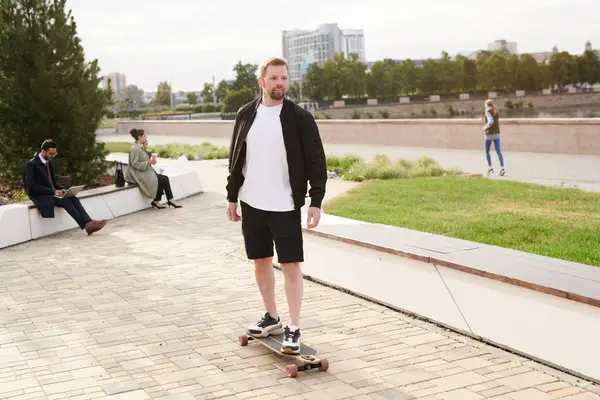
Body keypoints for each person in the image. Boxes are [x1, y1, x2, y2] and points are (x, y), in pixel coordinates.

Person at [225, 57, 327, 354]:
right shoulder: (246, 114)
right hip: (252, 202)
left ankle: (293, 328)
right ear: (262, 81)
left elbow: (316, 160)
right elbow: (236, 158)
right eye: (274, 78)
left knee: (291, 265)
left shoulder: (299, 117)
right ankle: (271, 316)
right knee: (260, 262)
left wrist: (316, 200)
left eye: (284, 78)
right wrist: (232, 196)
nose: (279, 83)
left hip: (284, 204)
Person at [24, 139, 107, 235]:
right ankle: (87, 225)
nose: (53, 156)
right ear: (43, 151)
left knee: (72, 197)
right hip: (40, 195)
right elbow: (31, 186)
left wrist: (62, 189)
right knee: (65, 200)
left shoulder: (48, 162)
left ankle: (88, 222)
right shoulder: (32, 164)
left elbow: (53, 181)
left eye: (54, 154)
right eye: (51, 154)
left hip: (51, 193)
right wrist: (52, 192)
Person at [125, 128, 182, 209]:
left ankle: (158, 201)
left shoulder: (139, 147)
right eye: (144, 136)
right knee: (162, 179)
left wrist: (145, 149)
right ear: (139, 137)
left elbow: (144, 158)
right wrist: (149, 162)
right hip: (137, 174)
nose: (146, 137)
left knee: (161, 178)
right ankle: (169, 200)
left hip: (145, 171)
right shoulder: (135, 148)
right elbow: (135, 164)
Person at [482, 99, 506, 176]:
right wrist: (484, 119)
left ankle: (490, 168)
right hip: (497, 134)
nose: (484, 105)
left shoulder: (487, 111)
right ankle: (502, 169)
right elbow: (493, 120)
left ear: (487, 105)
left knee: (487, 151)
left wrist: (485, 127)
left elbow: (491, 121)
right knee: (498, 152)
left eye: (485, 104)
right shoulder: (495, 111)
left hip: (489, 134)